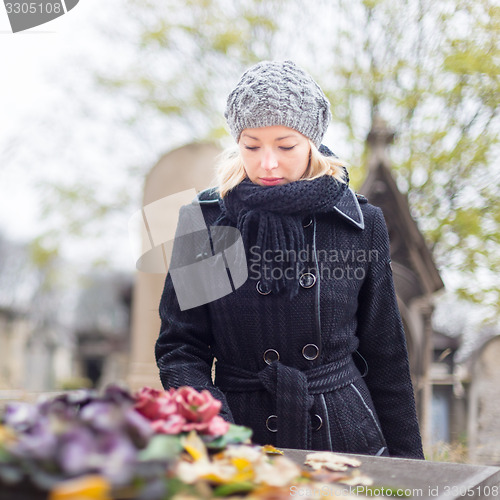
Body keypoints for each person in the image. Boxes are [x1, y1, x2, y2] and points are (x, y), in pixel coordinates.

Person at [155, 60, 424, 459]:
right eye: (251, 145)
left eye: (285, 146)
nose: (267, 163)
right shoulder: (207, 221)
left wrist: (410, 472)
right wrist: (219, 437)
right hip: (239, 437)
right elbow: (182, 350)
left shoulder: (359, 223)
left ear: (312, 142)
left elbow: (386, 357)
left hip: (346, 439)